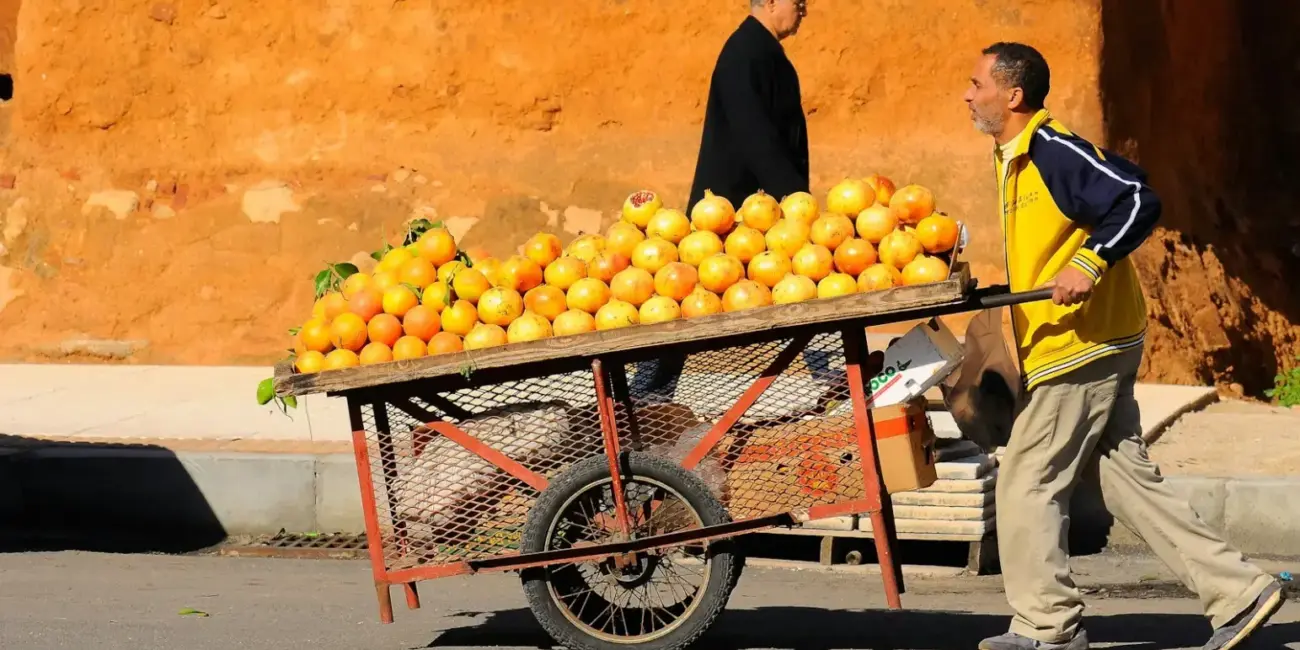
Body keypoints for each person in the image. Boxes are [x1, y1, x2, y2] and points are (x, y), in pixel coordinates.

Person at [963, 42, 1286, 650]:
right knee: (1122, 477)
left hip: (1082, 345)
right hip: (1075, 341)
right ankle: (1240, 593)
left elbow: (1137, 197)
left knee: (1027, 478)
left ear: (1012, 96)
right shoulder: (1012, 160)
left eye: (976, 83)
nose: (967, 94)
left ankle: (1044, 625)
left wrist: (1089, 263)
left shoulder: (1051, 149)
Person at [685, 0, 809, 213]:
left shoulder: (761, 50)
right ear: (771, 3)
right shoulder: (744, 53)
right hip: (733, 215)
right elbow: (754, 135)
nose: (803, 12)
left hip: (761, 209)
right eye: (798, 4)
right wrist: (792, 197)